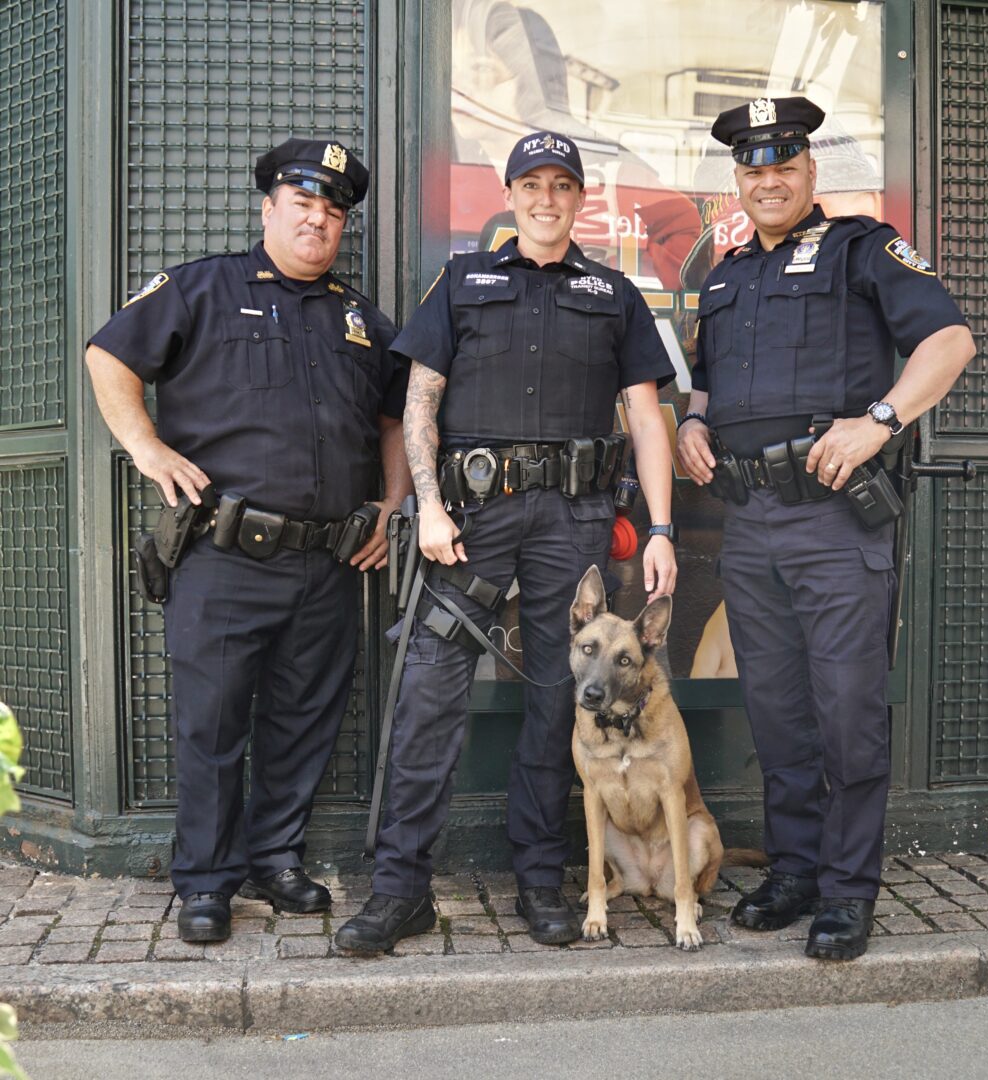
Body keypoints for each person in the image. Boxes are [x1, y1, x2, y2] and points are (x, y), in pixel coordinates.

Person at [335, 130, 678, 953]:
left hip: (576, 520)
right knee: (429, 691)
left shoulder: (614, 291)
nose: (548, 198)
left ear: (580, 197)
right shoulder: (462, 280)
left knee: (561, 701)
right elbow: (420, 400)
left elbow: (644, 415)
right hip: (472, 522)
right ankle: (400, 888)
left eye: (564, 185)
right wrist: (430, 505)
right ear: (512, 191)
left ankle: (539, 879)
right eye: (534, 183)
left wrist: (662, 527)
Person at [85, 139, 410, 943]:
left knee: (304, 721)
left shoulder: (361, 320)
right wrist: (146, 448)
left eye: (333, 211)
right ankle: (205, 881)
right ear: (268, 208)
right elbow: (108, 354)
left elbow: (398, 416)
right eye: (303, 204)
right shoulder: (203, 287)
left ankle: (276, 859)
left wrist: (393, 503)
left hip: (328, 559)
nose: (318, 220)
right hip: (224, 556)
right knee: (212, 725)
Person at [676, 98, 976, 961]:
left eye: (783, 166)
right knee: (775, 711)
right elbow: (705, 384)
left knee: (847, 713)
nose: (767, 181)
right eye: (752, 168)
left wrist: (880, 418)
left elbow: (949, 341)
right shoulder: (726, 274)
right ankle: (797, 869)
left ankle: (849, 891)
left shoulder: (862, 248)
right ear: (739, 179)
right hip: (748, 520)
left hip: (835, 521)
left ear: (809, 173)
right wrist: (694, 425)